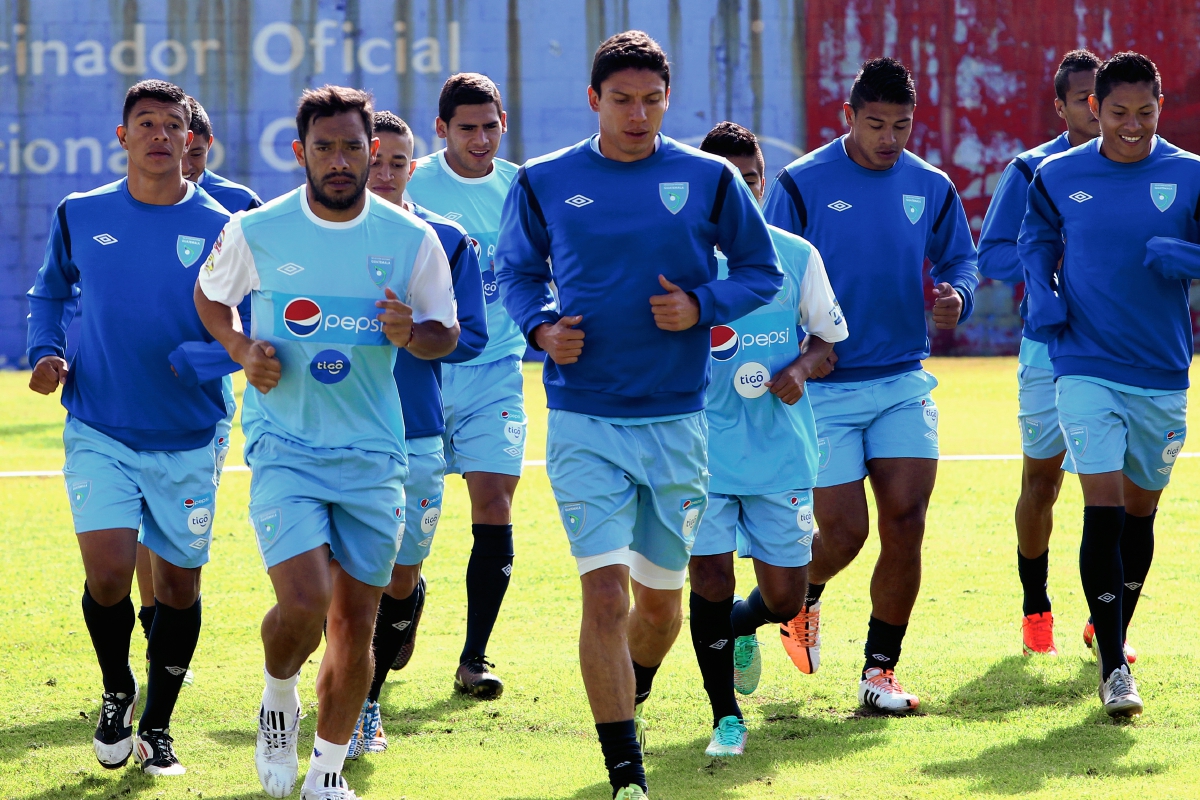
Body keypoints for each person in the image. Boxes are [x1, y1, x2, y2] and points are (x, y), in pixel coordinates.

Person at [498, 31, 781, 799]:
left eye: (652, 100)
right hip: (584, 418)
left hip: (678, 421)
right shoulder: (545, 180)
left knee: (659, 607)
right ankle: (627, 774)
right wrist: (540, 328)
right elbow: (518, 273)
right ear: (594, 100)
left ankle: (635, 689)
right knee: (604, 592)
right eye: (622, 100)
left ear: (668, 100)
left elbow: (762, 271)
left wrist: (702, 306)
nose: (638, 114)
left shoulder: (709, 177)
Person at [194, 86, 460, 799]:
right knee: (307, 603)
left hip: (375, 455)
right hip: (286, 447)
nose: (338, 161)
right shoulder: (260, 230)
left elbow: (446, 329)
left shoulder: (412, 239)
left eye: (351, 146)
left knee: (356, 620)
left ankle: (326, 773)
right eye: (324, 147)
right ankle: (279, 694)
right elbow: (211, 297)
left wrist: (414, 334)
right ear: (299, 153)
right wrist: (241, 347)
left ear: (374, 152)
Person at [26, 79, 231, 775]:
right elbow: (49, 290)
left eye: (171, 124)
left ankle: (160, 727)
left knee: (177, 589)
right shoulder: (80, 212)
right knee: (110, 574)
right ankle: (118, 685)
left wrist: (203, 358)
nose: (158, 135)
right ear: (123, 137)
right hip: (99, 426)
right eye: (144, 123)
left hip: (188, 436)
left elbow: (255, 323)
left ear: (188, 139)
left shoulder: (223, 224)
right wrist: (46, 350)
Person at [762, 57, 978, 712]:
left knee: (906, 521)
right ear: (847, 117)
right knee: (844, 534)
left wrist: (957, 298)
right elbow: (771, 276)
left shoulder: (931, 186)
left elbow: (961, 261)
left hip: (903, 380)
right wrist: (799, 355)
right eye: (876, 123)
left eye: (902, 125)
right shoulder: (802, 184)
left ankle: (879, 674)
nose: (889, 138)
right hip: (825, 390)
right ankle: (800, 595)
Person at [1020, 51, 1199, 717]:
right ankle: (1114, 667)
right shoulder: (1059, 174)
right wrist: (1041, 290)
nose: (1132, 125)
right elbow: (1034, 240)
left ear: (1161, 108)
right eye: (1118, 112)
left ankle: (1113, 625)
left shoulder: (1189, 175)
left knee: (1141, 511)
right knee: (1102, 504)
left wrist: (1190, 258)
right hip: (1083, 362)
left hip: (1161, 371)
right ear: (1094, 108)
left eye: (1144, 113)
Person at [688, 121, 847, 757]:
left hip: (779, 451)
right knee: (708, 579)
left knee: (785, 596)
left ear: (762, 179)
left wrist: (800, 370)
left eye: (752, 177)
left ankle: (743, 628)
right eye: (731, 183)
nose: (746, 189)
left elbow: (828, 341)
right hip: (698, 451)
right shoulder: (680, 260)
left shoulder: (796, 255)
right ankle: (726, 716)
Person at [347, 109, 489, 759]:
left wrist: (415, 334)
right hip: (337, 434)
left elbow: (471, 340)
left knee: (398, 579)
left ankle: (404, 607)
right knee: (350, 579)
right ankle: (362, 706)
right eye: (373, 161)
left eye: (397, 163)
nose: (383, 174)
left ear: (414, 166)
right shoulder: (318, 237)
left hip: (417, 435)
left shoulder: (446, 239)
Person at [978, 50, 1101, 658]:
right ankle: (1036, 608)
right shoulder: (1032, 169)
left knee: (1117, 490)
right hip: (1049, 350)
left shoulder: (1145, 168)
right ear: (1061, 105)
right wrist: (1050, 255)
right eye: (1082, 98)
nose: (1095, 109)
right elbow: (993, 257)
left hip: (1119, 349)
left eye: (1100, 96)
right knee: (1043, 482)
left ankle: (1108, 618)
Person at [405, 73, 524, 699]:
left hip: (496, 369)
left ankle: (474, 657)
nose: (481, 139)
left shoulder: (520, 188)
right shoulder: (410, 180)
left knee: (494, 506)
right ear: (442, 130)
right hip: (419, 372)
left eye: (490, 126)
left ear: (504, 122)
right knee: (407, 517)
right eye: (467, 128)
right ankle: (404, 601)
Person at [134, 94, 263, 667]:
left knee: (184, 511)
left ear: (200, 146)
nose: (180, 161)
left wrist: (210, 360)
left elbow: (258, 313)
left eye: (193, 149)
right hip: (133, 388)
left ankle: (179, 612)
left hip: (202, 397)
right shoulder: (130, 200)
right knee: (137, 515)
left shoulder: (239, 209)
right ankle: (154, 624)